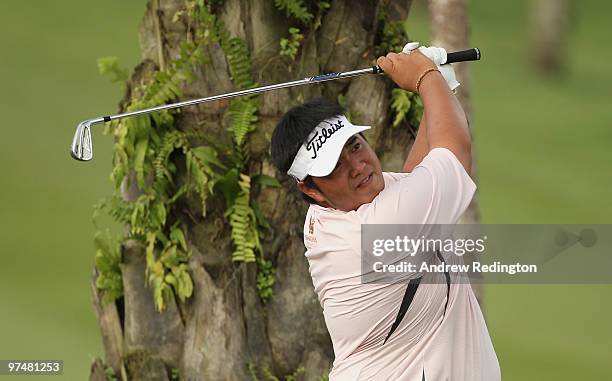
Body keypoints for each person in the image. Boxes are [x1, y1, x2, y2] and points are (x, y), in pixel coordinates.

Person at [270, 45, 500, 381]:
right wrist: (424, 76)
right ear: (309, 188)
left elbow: (417, 179)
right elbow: (454, 153)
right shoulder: (373, 233)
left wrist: (439, 87)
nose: (357, 166)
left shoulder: (339, 213)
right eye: (334, 166)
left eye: (355, 145)